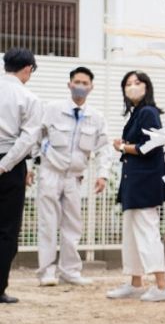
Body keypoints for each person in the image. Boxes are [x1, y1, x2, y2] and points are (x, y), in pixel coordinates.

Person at [32, 66, 114, 287]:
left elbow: (104, 148)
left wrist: (103, 175)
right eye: (76, 82)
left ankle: (70, 271)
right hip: (50, 173)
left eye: (85, 83)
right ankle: (46, 272)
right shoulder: (52, 109)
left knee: (73, 225)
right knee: (48, 223)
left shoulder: (96, 117)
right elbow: (36, 138)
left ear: (91, 87)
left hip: (75, 178)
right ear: (69, 84)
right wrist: (30, 166)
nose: (80, 87)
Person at [106, 71, 165, 302]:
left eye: (137, 83)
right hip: (134, 181)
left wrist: (124, 148)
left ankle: (161, 285)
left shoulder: (148, 112)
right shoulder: (138, 113)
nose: (132, 87)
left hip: (145, 182)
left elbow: (152, 145)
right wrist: (126, 146)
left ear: (147, 86)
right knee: (132, 233)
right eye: (127, 84)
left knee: (147, 232)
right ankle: (135, 281)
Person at [0, 48, 43, 305]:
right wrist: (5, 165)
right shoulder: (28, 97)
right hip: (11, 165)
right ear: (27, 69)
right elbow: (28, 138)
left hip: (9, 161)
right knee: (6, 230)